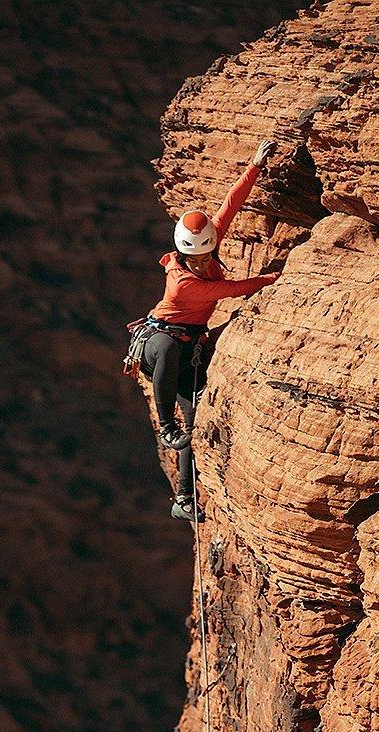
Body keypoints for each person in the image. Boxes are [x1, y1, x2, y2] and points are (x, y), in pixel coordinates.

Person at [139, 139, 282, 522]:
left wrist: (254, 167)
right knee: (168, 349)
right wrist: (272, 278)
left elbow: (229, 206)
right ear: (184, 254)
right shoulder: (182, 281)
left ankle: (184, 499)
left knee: (196, 419)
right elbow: (229, 290)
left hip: (189, 349)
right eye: (197, 258)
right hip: (158, 344)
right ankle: (166, 425)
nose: (204, 262)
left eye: (207, 255)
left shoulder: (206, 245)